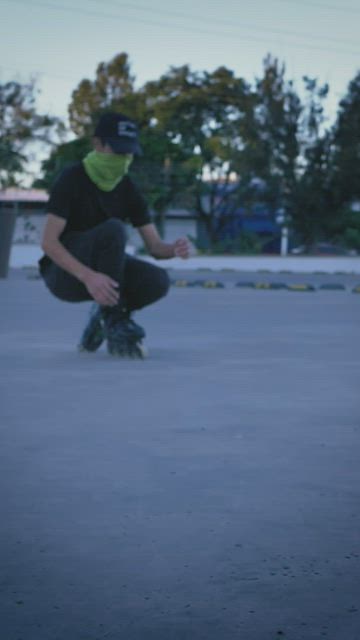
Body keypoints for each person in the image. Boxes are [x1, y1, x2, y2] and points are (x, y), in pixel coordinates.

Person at [39, 111, 190, 358]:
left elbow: (154, 247)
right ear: (97, 144)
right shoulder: (72, 179)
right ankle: (114, 319)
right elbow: (48, 242)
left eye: (128, 152)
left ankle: (102, 320)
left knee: (156, 281)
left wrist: (173, 249)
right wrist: (88, 276)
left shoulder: (128, 188)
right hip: (64, 275)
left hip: (103, 274)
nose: (123, 158)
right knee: (113, 230)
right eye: (117, 150)